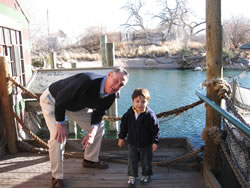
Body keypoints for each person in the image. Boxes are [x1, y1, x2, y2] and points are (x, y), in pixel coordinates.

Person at [40, 67, 129, 188]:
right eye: (116, 80)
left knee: (99, 127)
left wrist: (92, 133)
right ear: (109, 75)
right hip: (53, 100)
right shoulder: (87, 80)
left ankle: (90, 160)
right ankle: (57, 177)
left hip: (75, 106)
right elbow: (61, 99)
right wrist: (60, 123)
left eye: (121, 84)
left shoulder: (111, 96)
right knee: (58, 137)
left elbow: (98, 114)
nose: (117, 86)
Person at [118, 88, 160, 187]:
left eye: (143, 102)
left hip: (146, 144)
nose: (140, 104)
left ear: (147, 102)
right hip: (132, 143)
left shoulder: (150, 115)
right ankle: (132, 176)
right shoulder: (129, 114)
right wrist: (121, 137)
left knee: (146, 161)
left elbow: (156, 129)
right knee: (132, 161)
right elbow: (124, 126)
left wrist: (155, 142)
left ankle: (147, 174)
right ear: (133, 101)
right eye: (137, 101)